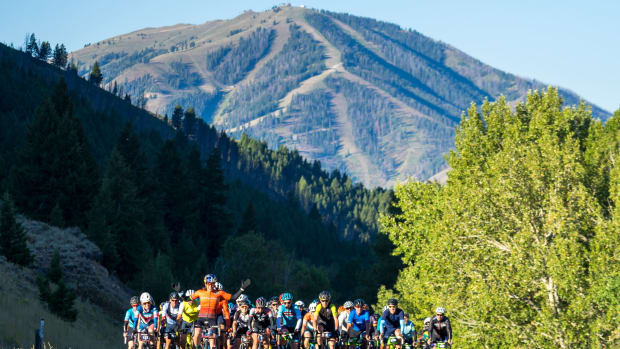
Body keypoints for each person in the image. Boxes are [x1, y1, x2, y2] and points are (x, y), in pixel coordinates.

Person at [192, 274, 250, 349]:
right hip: (202, 317)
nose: (210, 286)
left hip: (214, 317)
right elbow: (188, 299)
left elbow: (233, 299)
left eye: (212, 284)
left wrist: (242, 288)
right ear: (205, 283)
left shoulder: (220, 294)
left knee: (214, 339)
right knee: (196, 335)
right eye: (208, 284)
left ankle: (221, 345)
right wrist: (180, 292)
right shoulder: (200, 292)